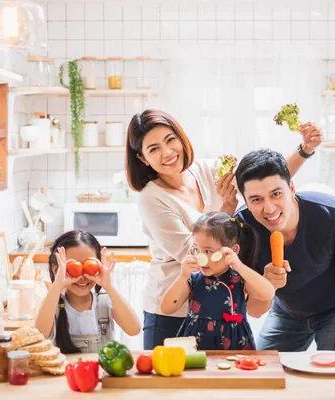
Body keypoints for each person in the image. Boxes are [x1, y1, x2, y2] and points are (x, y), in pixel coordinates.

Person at [125, 109, 322, 349]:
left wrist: (305, 149)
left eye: (170, 140)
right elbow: (196, 255)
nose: (167, 153)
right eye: (153, 149)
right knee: (169, 384)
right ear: (143, 158)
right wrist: (226, 210)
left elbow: (262, 180)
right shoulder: (151, 198)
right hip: (174, 311)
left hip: (220, 309)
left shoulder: (207, 170)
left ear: (181, 137)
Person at [234, 149, 335, 352]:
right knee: (264, 370)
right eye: (256, 199)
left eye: (276, 194)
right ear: (246, 201)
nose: (269, 209)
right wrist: (266, 286)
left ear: (291, 188)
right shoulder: (243, 229)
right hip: (286, 311)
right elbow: (255, 311)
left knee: (332, 377)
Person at [160, 212, 275, 350]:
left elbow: (268, 293)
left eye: (208, 251)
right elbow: (166, 308)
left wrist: (240, 266)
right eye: (196, 249)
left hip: (234, 343)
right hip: (197, 344)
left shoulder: (240, 278)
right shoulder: (193, 279)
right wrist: (182, 276)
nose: (201, 256)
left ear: (232, 250)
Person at [35, 230, 141, 353]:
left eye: (90, 267)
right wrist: (57, 285)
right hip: (67, 371)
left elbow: (134, 329)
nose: (82, 277)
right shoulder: (54, 305)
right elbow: (39, 336)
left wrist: (109, 286)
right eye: (73, 268)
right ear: (56, 270)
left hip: (101, 371)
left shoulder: (105, 300)